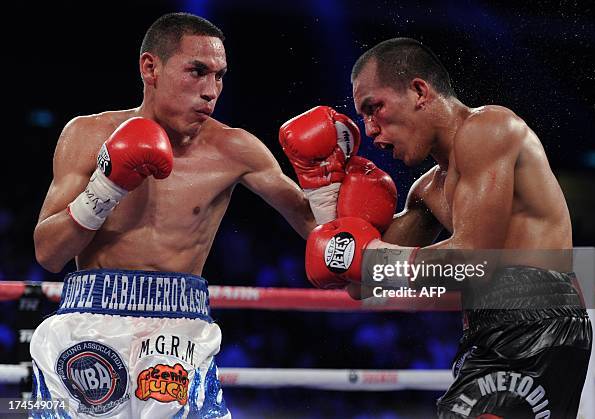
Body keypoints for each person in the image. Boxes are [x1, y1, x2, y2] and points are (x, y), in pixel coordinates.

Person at [28, 12, 359, 418]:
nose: (211, 90)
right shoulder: (88, 134)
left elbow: (326, 239)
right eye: (197, 71)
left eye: (219, 76)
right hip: (89, 322)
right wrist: (106, 189)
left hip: (181, 329)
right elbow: (48, 253)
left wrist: (324, 189)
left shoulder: (236, 149)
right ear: (150, 67)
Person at [300, 38, 592, 418]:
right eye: (363, 117)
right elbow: (359, 282)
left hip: (540, 323)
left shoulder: (490, 127)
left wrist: (369, 258)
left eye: (375, 108)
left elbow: (474, 257)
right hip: (487, 332)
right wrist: (325, 196)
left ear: (419, 91)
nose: (369, 130)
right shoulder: (427, 190)